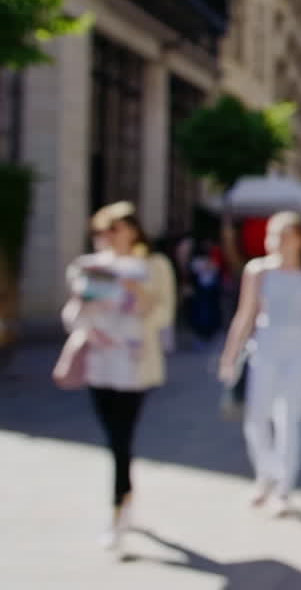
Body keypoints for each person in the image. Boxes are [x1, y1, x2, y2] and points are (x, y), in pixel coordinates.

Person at [57, 201, 176, 551]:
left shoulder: (153, 266)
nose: (109, 237)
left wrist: (137, 292)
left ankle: (117, 511)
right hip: (99, 361)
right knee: (113, 438)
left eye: (115, 229)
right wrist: (81, 301)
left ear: (133, 231)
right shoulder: (88, 266)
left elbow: (162, 316)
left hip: (134, 364)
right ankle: (125, 497)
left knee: (121, 439)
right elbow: (73, 318)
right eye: (103, 231)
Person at [219, 211, 301, 517]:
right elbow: (245, 315)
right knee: (256, 417)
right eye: (272, 234)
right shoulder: (258, 271)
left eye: (282, 235)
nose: (274, 241)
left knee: (290, 418)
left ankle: (284, 487)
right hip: (265, 348)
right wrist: (230, 355)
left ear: (298, 239)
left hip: (299, 351)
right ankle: (265, 475)